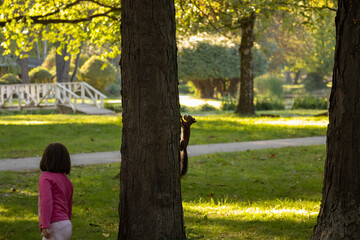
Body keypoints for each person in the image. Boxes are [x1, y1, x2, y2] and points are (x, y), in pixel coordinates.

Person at [38, 143, 73, 240]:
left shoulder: (46, 177)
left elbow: (46, 200)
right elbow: (68, 205)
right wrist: (68, 220)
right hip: (66, 224)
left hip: (54, 224)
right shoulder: (67, 181)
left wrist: (44, 224)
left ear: (46, 159)